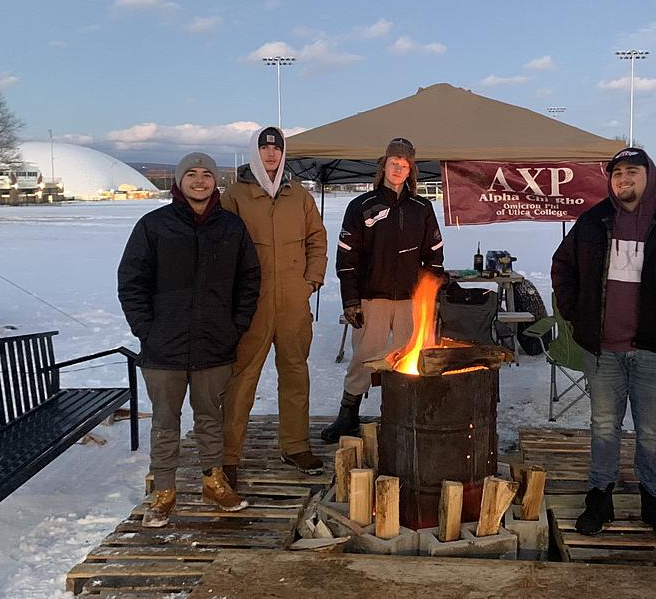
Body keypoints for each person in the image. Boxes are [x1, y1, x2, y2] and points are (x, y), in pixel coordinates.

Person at [118, 152, 260, 528]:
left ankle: (214, 482)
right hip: (163, 348)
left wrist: (235, 326)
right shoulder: (154, 226)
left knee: (211, 417)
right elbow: (131, 283)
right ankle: (164, 490)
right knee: (165, 422)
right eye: (192, 174)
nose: (200, 181)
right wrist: (146, 329)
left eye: (207, 174)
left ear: (216, 181)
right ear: (178, 182)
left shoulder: (231, 228)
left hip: (215, 344)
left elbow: (249, 281)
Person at [551, 147, 656, 542]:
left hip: (655, 351)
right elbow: (563, 267)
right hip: (604, 350)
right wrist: (577, 316)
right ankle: (600, 497)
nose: (624, 180)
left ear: (650, 176)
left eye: (633, 172)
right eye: (618, 174)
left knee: (652, 432)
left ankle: (655, 501)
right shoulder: (593, 222)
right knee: (604, 427)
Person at [322, 137, 445, 443]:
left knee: (409, 359)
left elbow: (434, 256)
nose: (398, 169)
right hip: (371, 298)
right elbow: (346, 257)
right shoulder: (361, 206)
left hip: (409, 300)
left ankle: (404, 415)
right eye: (393, 163)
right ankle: (348, 415)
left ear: (410, 170)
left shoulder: (422, 208)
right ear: (384, 166)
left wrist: (430, 297)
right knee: (365, 357)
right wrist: (351, 300)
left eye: (404, 165)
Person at [221, 126, 328, 479]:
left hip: (293, 303)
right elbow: (222, 247)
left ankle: (296, 446)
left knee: (295, 372)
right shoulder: (236, 195)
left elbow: (317, 238)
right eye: (264, 148)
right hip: (252, 303)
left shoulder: (298, 196)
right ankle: (229, 455)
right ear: (254, 151)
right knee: (242, 376)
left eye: (277, 148)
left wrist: (310, 281)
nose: (271, 154)